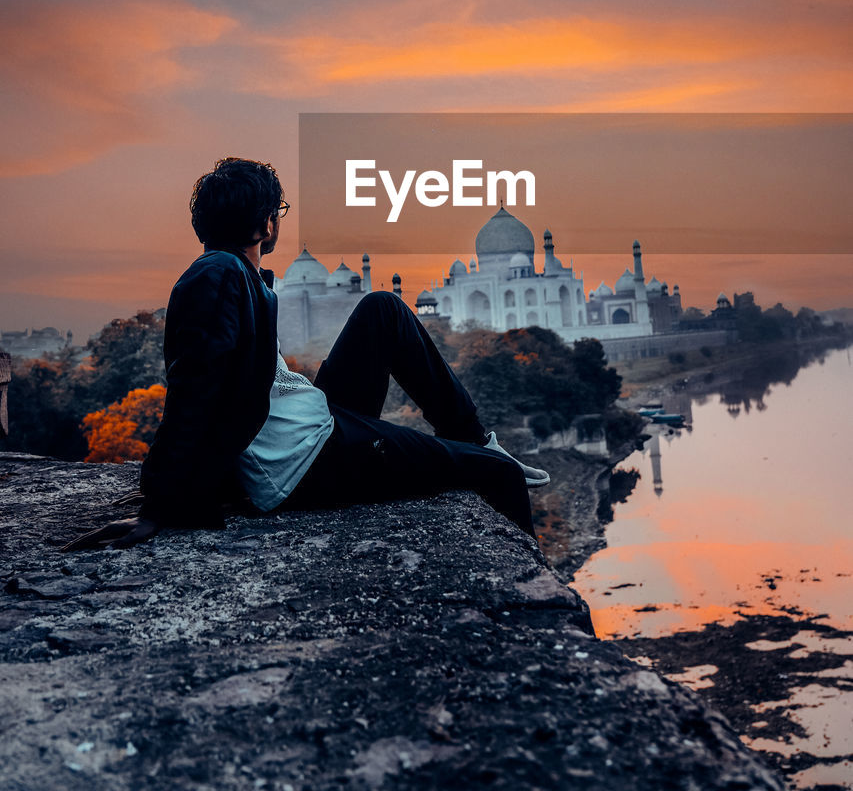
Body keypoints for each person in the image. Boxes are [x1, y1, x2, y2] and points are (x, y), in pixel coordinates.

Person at [63, 158, 548, 552]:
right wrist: (162, 507)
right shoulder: (218, 276)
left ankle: (476, 439)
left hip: (309, 423)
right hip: (305, 459)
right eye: (276, 212)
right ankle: (540, 625)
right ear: (265, 224)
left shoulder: (230, 273)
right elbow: (194, 389)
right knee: (501, 477)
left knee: (383, 308)